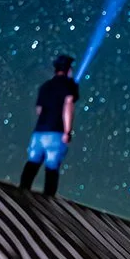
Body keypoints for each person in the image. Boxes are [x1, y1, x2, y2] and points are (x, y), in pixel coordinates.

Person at [18, 54, 79, 198]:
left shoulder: (45, 86)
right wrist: (67, 131)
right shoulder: (70, 85)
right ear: (69, 69)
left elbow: (39, 110)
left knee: (32, 163)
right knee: (51, 168)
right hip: (56, 132)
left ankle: (21, 193)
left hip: (39, 132)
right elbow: (68, 104)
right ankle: (47, 201)